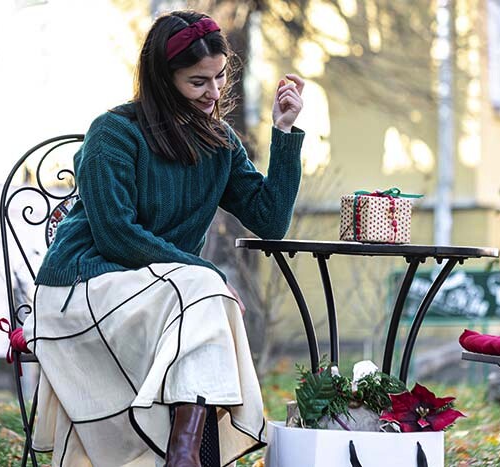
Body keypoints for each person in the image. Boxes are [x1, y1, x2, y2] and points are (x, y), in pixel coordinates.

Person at [22, 10, 304, 466]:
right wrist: (203, 272)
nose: (213, 93)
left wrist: (285, 132)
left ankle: (183, 454)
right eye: (198, 82)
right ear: (163, 79)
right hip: (81, 288)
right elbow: (115, 235)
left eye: (219, 77)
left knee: (200, 295)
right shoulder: (113, 133)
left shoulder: (220, 144)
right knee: (204, 291)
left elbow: (270, 220)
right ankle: (185, 456)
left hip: (164, 300)